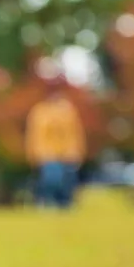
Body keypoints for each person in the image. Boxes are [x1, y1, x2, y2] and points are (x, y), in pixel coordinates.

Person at [25, 78, 86, 209]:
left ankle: (65, 206)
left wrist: (76, 150)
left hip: (68, 153)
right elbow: (34, 135)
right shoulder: (39, 112)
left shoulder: (68, 111)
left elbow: (75, 133)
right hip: (47, 153)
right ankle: (48, 202)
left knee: (68, 182)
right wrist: (33, 153)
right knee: (52, 179)